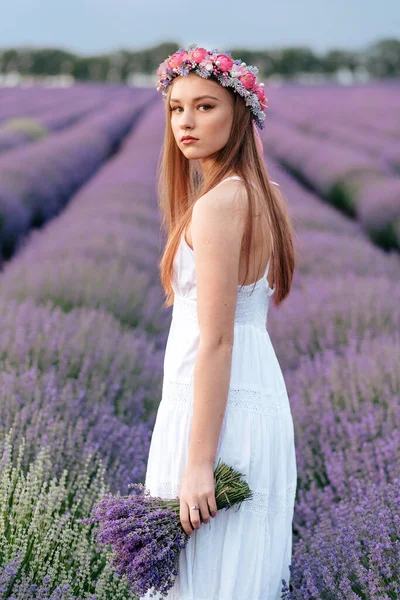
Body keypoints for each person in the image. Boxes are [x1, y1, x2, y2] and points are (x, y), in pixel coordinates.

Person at [141, 45, 297, 599]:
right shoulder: (262, 195)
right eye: (176, 108)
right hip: (254, 399)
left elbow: (217, 341)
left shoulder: (216, 205)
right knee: (235, 571)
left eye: (205, 106)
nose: (186, 121)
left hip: (212, 409)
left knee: (202, 578)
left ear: (240, 115)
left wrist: (199, 463)